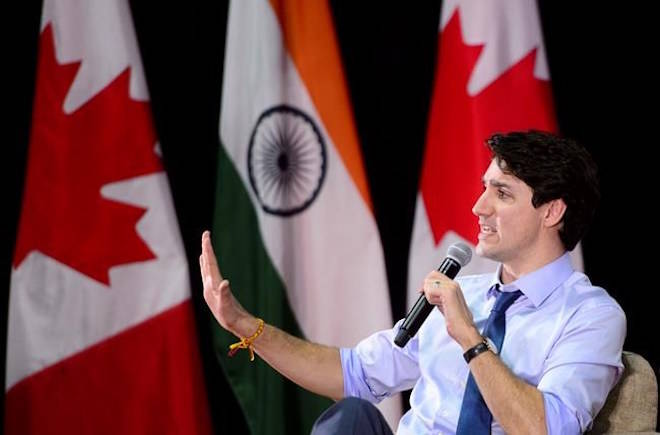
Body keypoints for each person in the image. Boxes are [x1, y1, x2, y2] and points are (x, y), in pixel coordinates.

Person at [199, 130, 626, 434]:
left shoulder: (590, 315)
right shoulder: (467, 295)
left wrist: (470, 339)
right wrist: (244, 325)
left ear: (551, 212)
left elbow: (546, 429)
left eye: (502, 193)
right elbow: (352, 373)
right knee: (350, 419)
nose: (478, 207)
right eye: (484, 189)